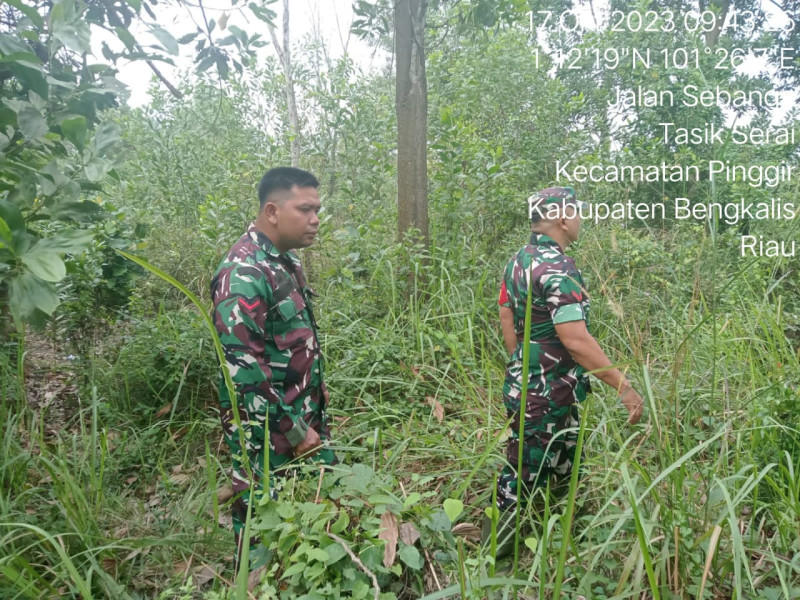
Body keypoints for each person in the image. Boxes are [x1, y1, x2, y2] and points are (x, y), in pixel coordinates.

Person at [210, 167, 337, 572]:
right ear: (272, 210)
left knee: (311, 522)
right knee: (261, 541)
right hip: (267, 435)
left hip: (301, 419)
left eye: (317, 209)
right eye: (305, 209)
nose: (316, 219)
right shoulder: (243, 272)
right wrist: (297, 433)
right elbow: (244, 371)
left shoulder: (284, 261)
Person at [494, 186, 643, 514]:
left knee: (565, 465)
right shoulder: (559, 268)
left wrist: (523, 364)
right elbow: (575, 340)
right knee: (521, 477)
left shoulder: (518, 260)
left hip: (537, 387)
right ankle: (500, 557)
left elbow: (507, 314)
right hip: (547, 392)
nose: (580, 220)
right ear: (563, 218)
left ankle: (559, 539)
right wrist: (624, 387)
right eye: (577, 213)